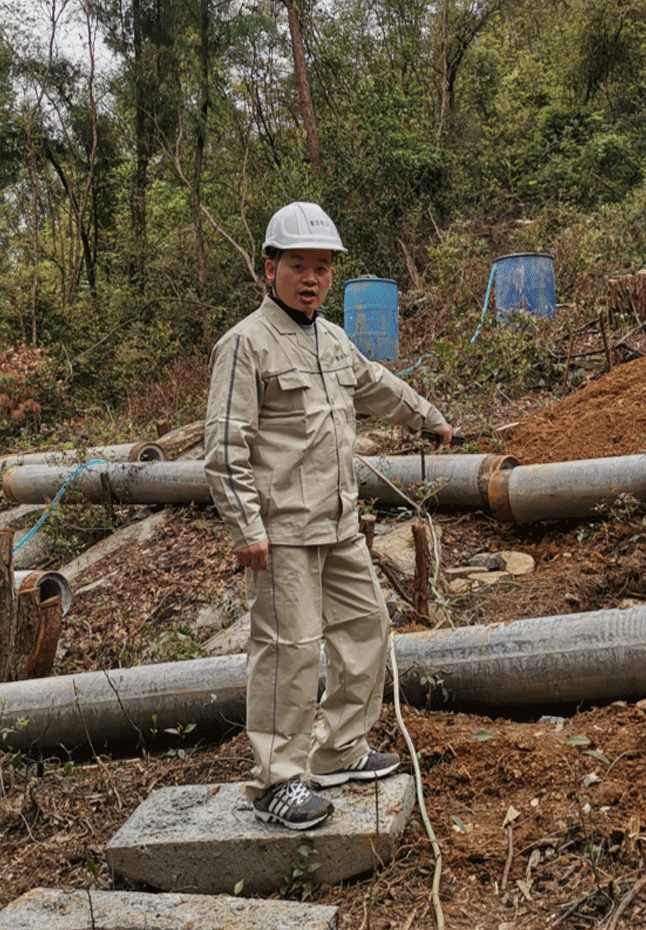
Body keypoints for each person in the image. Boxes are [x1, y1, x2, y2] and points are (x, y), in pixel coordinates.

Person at [204, 202, 455, 830]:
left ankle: (340, 748)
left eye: (321, 267)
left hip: (339, 524)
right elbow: (225, 446)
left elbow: (378, 386)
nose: (311, 278)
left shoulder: (333, 339)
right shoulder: (245, 344)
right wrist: (245, 529)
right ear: (270, 269)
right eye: (298, 265)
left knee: (367, 628)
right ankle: (276, 780)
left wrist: (429, 418)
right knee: (288, 653)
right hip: (282, 533)